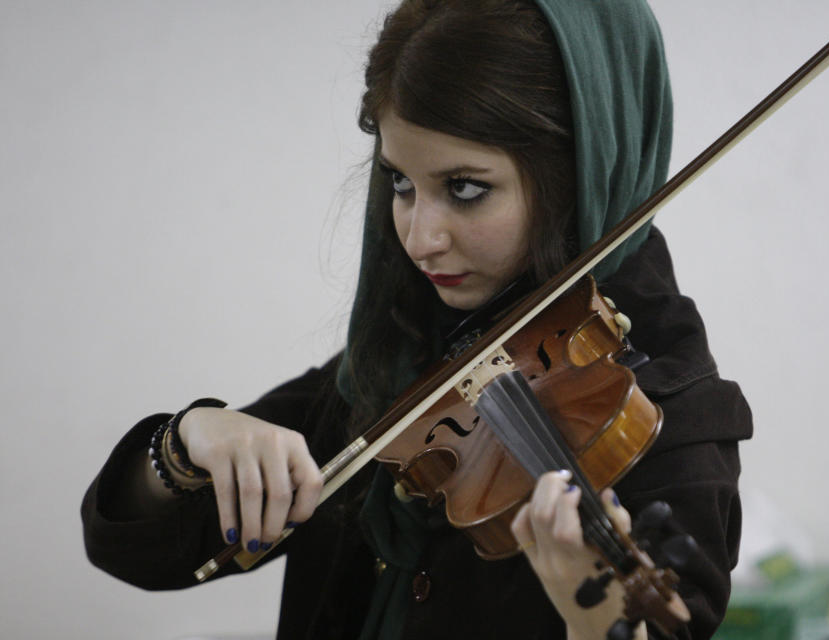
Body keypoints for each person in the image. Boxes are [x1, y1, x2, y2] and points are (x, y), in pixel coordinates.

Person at [81, 0, 752, 638]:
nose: (420, 237)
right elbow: (142, 554)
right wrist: (188, 442)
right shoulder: (409, 359)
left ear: (581, 170)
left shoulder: (667, 414)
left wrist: (591, 621)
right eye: (400, 183)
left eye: (464, 189)